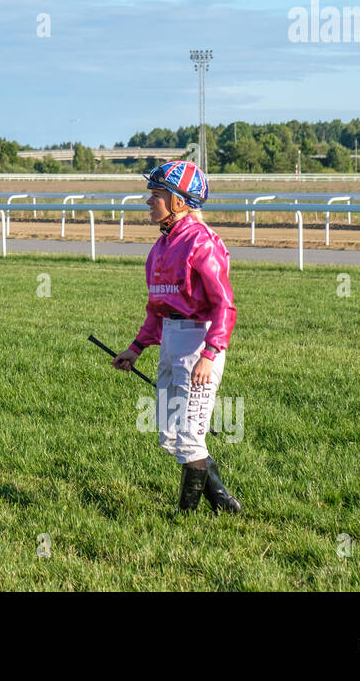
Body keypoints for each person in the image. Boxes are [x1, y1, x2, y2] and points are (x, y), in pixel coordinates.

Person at [112, 160, 241, 514]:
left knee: (189, 437)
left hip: (199, 345)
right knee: (170, 434)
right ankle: (224, 502)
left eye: (156, 195)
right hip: (170, 341)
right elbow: (157, 310)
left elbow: (224, 306)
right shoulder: (160, 249)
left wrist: (210, 353)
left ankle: (184, 517)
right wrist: (136, 348)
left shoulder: (203, 244)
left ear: (179, 202)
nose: (149, 202)